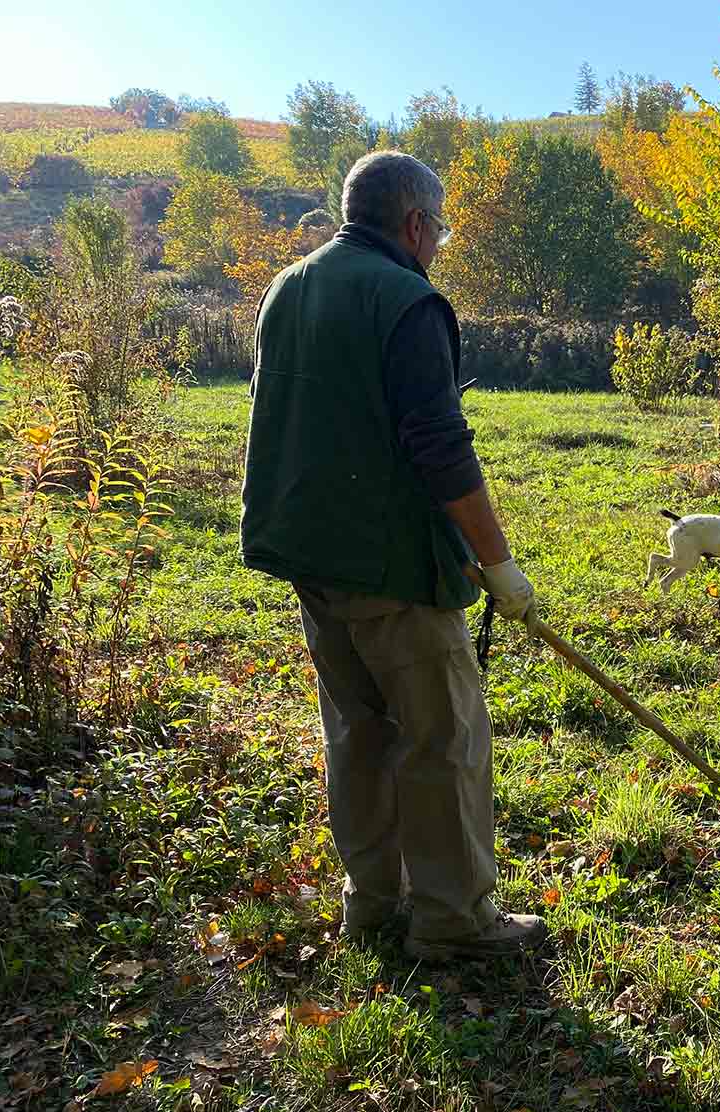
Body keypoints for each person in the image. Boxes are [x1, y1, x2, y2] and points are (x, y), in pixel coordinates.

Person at [240, 151, 544, 960]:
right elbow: (440, 446)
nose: (438, 244)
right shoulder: (407, 297)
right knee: (444, 740)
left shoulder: (286, 287)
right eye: (438, 229)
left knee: (357, 734)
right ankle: (455, 921)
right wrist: (500, 563)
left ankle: (371, 905)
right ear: (414, 224)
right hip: (393, 570)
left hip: (311, 558)